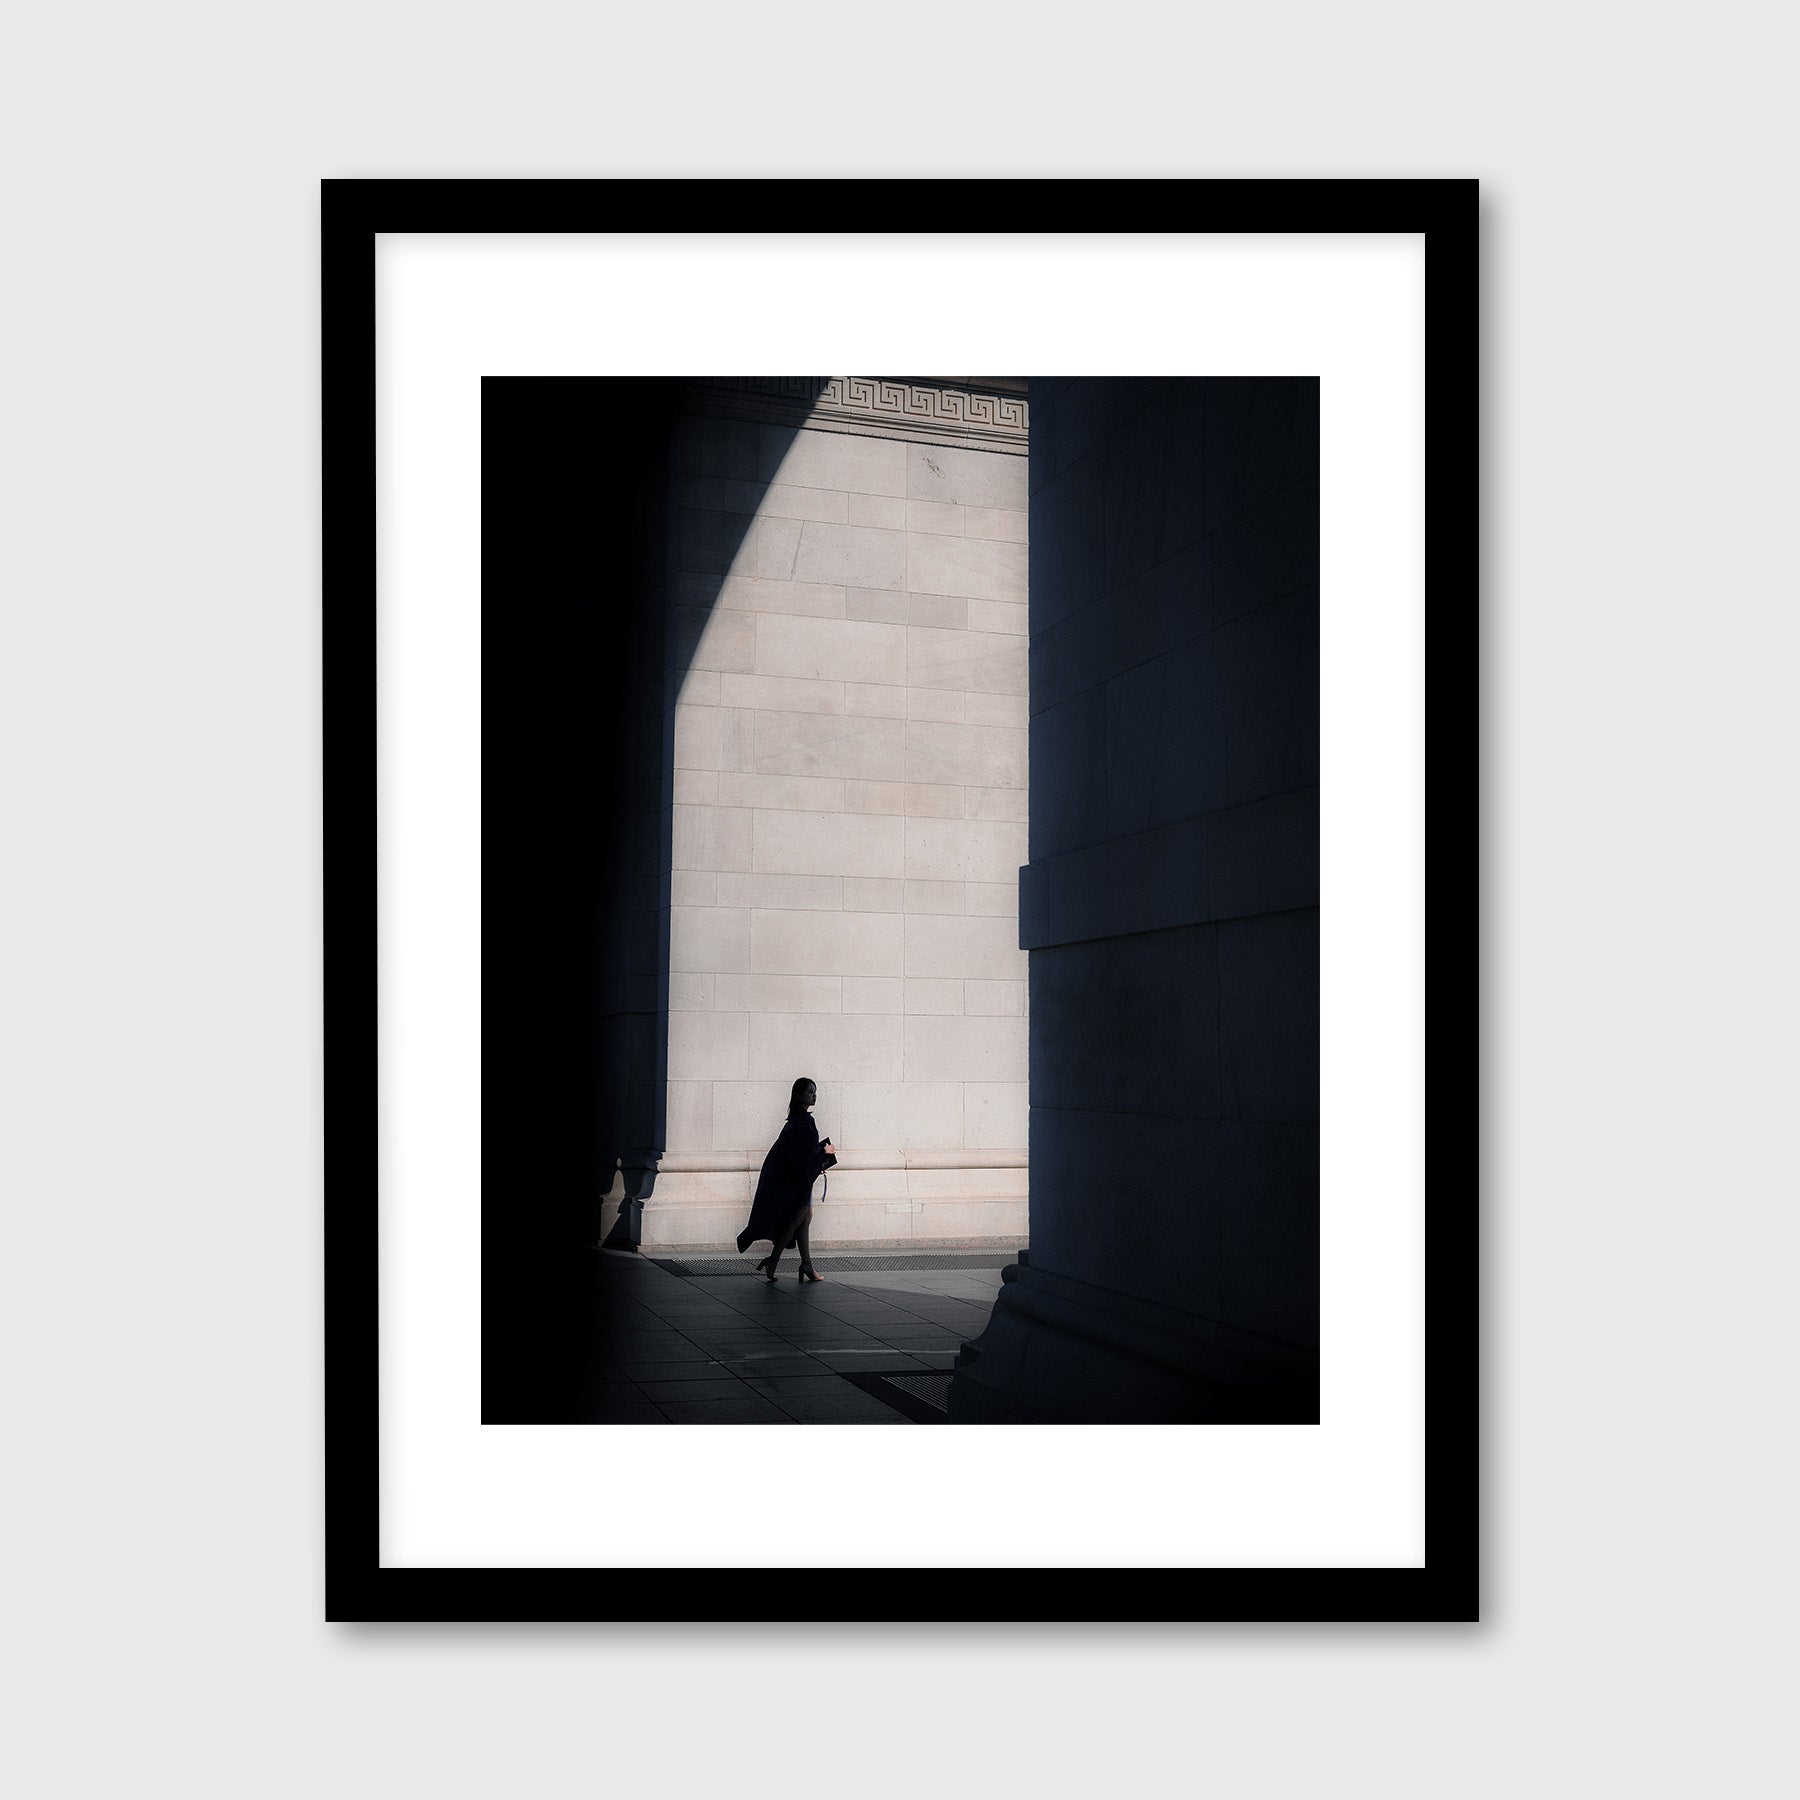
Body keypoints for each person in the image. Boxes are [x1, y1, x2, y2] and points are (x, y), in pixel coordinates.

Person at [735, 1076, 837, 1282]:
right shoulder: (802, 1123)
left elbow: (800, 1154)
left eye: (814, 1091)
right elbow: (803, 1156)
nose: (814, 1095)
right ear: (799, 1095)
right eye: (809, 1091)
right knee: (798, 1219)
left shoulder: (798, 1121)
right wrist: (824, 1151)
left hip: (795, 1180)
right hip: (796, 1183)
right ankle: (777, 1260)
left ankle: (804, 1264)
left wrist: (818, 1156)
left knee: (804, 1219)